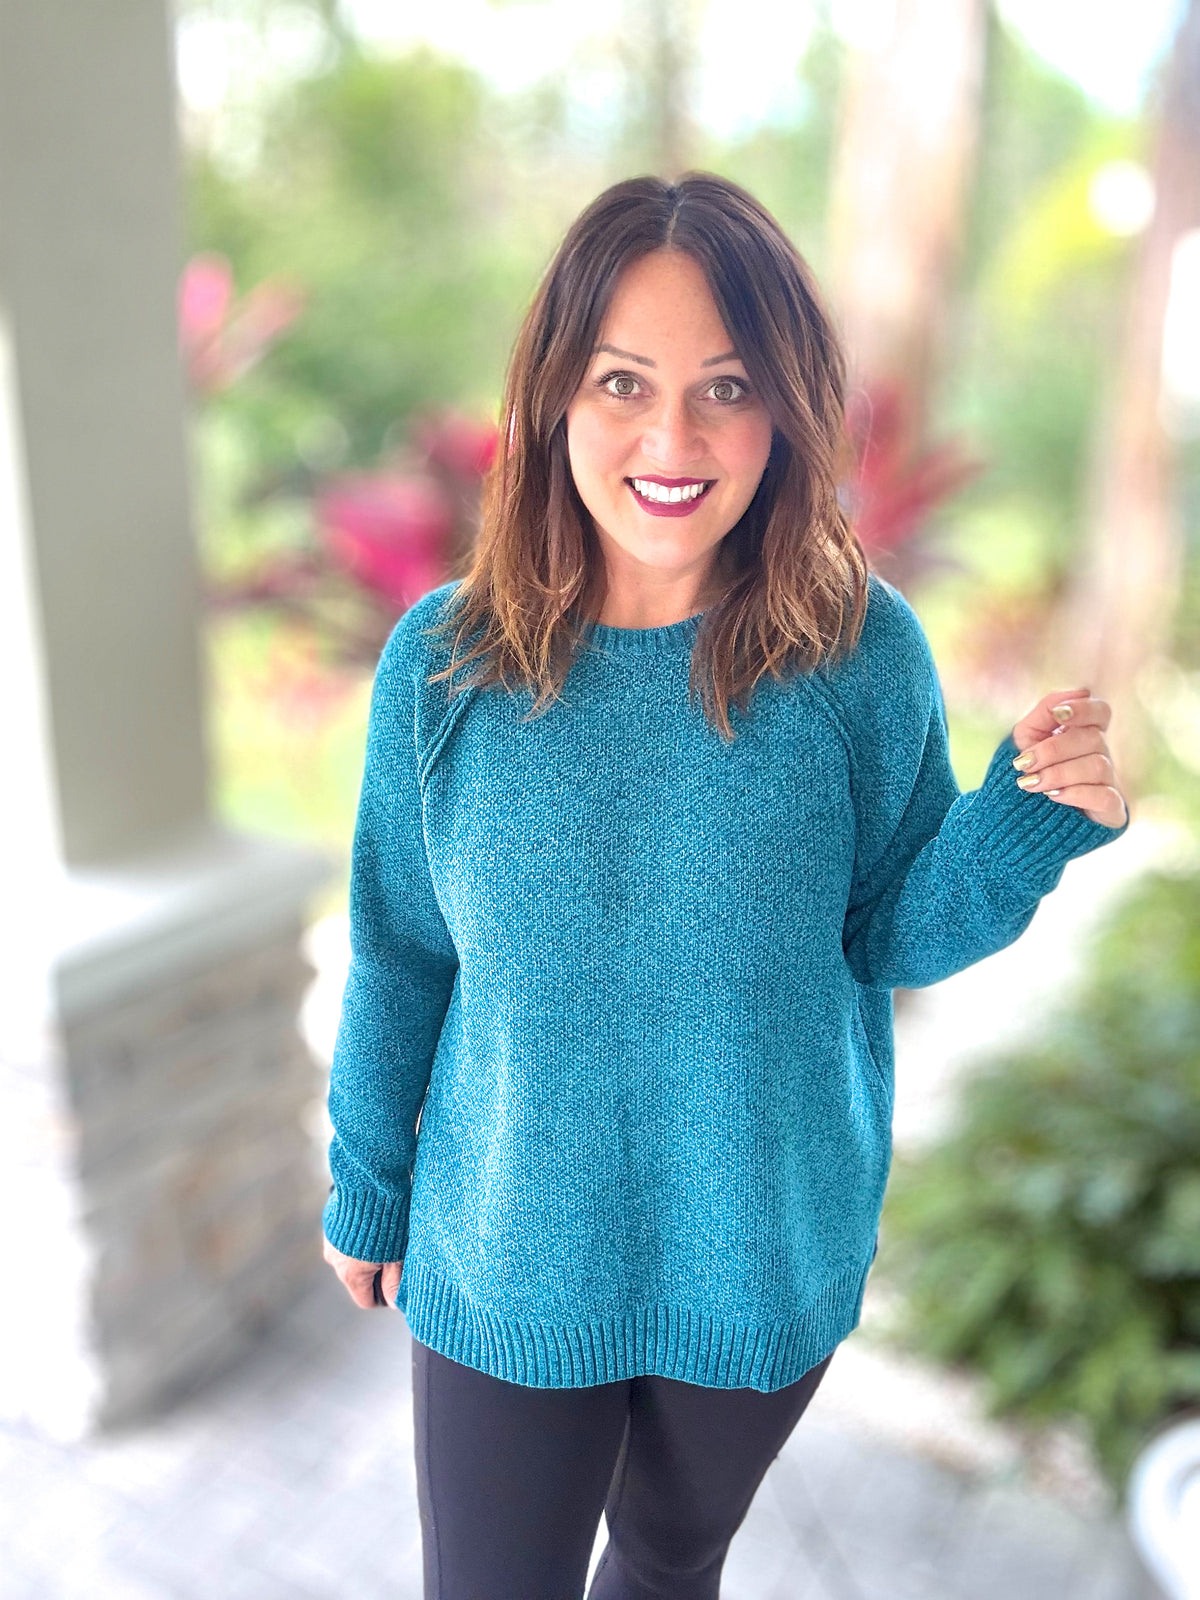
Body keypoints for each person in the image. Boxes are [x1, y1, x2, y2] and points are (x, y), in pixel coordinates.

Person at [321, 171, 1130, 1599]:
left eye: (727, 387)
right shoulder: (443, 669)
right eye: (624, 382)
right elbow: (400, 954)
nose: (673, 440)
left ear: (788, 411)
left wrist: (1023, 825)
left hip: (760, 1256)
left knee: (668, 1569)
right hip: (508, 1259)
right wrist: (367, 1190)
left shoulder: (855, 654)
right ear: (555, 396)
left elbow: (889, 928)